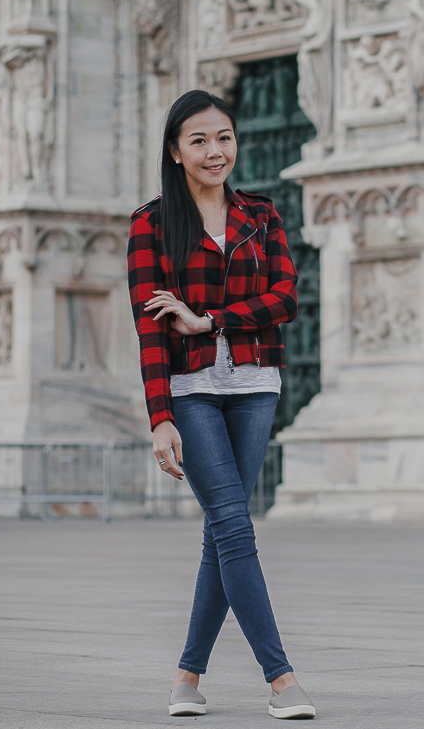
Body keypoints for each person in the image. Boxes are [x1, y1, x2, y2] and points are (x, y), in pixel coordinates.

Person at [126, 89, 316, 719]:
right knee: (233, 523)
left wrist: (209, 320)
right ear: (175, 152)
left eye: (225, 137)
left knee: (221, 531)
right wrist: (159, 419)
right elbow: (150, 330)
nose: (216, 151)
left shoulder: (263, 216)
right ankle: (282, 679)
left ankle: (187, 676)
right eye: (200, 140)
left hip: (257, 385)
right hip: (190, 391)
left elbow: (287, 298)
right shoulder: (150, 223)